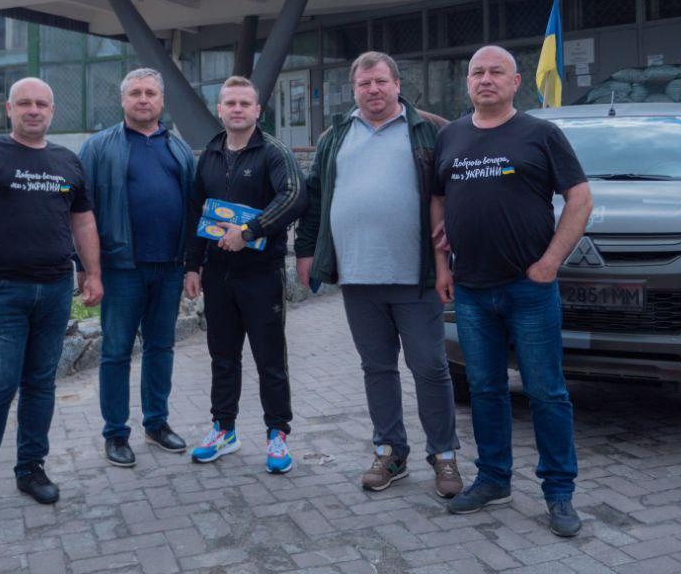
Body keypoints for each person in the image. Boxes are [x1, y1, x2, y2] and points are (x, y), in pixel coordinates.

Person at [430, 46, 593, 536]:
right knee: (485, 390)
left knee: (546, 392)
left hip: (528, 290)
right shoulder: (451, 136)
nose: (485, 79)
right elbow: (437, 199)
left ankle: (559, 492)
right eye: (477, 72)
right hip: (472, 290)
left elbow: (580, 199)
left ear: (515, 81)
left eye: (496, 72)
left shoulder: (541, 134)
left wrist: (550, 262)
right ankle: (493, 479)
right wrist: (441, 266)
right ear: (467, 82)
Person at [295, 51, 462, 498]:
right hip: (358, 276)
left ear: (397, 85)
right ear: (354, 89)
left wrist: (456, 228)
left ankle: (444, 455)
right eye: (364, 83)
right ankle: (390, 451)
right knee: (377, 368)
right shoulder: (336, 135)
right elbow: (315, 197)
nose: (373, 90)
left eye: (380, 82)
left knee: (429, 367)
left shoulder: (429, 129)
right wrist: (306, 251)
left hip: (417, 276)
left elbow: (457, 187)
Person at [0, 77, 103, 520]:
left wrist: (92, 272)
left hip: (54, 289)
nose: (34, 110)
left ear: (52, 111)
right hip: (0, 291)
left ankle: (31, 469)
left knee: (40, 384)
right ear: (9, 109)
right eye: (25, 103)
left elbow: (84, 222)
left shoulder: (68, 161)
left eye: (42, 104)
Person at [184, 76, 306, 474]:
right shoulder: (210, 154)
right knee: (222, 356)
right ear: (219, 109)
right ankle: (224, 430)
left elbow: (293, 196)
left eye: (244, 103)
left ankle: (277, 434)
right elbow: (196, 211)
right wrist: (192, 266)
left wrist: (249, 232)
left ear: (258, 110)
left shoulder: (273, 152)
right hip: (218, 274)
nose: (237, 109)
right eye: (230, 103)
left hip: (261, 274)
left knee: (270, 359)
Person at [77, 68, 196, 467]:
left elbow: (194, 208)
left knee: (161, 347)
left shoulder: (179, 149)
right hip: (121, 268)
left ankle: (156, 423)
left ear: (161, 101)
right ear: (123, 100)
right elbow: (78, 208)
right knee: (115, 352)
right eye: (135, 93)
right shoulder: (98, 148)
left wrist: (193, 265)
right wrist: (85, 268)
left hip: (169, 267)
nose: (143, 99)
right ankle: (115, 433)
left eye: (150, 93)